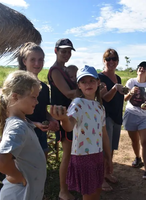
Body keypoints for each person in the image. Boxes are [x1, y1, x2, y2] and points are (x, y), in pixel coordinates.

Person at [50, 65, 112, 200]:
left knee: (96, 191)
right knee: (89, 194)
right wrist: (64, 119)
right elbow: (69, 126)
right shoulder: (77, 103)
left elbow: (104, 134)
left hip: (97, 155)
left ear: (98, 83)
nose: (88, 84)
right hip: (83, 156)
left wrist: (108, 157)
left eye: (91, 80)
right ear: (79, 85)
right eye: (83, 81)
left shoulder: (100, 107)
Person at [0, 70, 46, 200]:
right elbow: (2, 161)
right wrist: (17, 176)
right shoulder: (18, 127)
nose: (37, 102)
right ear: (15, 96)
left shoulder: (22, 123)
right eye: (33, 97)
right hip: (19, 195)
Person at [17, 42, 59, 159]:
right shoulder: (18, 86)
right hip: (22, 132)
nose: (37, 63)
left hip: (41, 132)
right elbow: (12, 114)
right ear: (24, 61)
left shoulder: (44, 88)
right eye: (33, 59)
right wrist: (34, 124)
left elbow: (42, 109)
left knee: (41, 161)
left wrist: (51, 118)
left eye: (41, 60)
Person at [48, 38, 77, 200]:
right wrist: (89, 91)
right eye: (63, 51)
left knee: (72, 152)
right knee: (67, 153)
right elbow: (67, 93)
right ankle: (63, 191)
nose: (66, 54)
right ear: (56, 51)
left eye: (69, 51)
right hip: (62, 116)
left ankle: (69, 184)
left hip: (70, 115)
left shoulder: (65, 70)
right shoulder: (55, 71)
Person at [123, 61, 146, 179]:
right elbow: (125, 98)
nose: (142, 69)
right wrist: (131, 92)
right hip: (130, 114)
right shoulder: (131, 82)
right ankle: (138, 158)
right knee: (134, 140)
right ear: (137, 70)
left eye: (145, 69)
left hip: (144, 116)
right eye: (140, 68)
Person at [98, 48, 124, 191]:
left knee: (112, 147)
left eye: (114, 59)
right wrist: (115, 88)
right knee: (104, 149)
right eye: (108, 59)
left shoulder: (118, 78)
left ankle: (108, 173)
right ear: (104, 61)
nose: (111, 61)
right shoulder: (100, 78)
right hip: (105, 117)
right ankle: (101, 179)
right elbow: (105, 97)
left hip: (117, 116)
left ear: (117, 61)